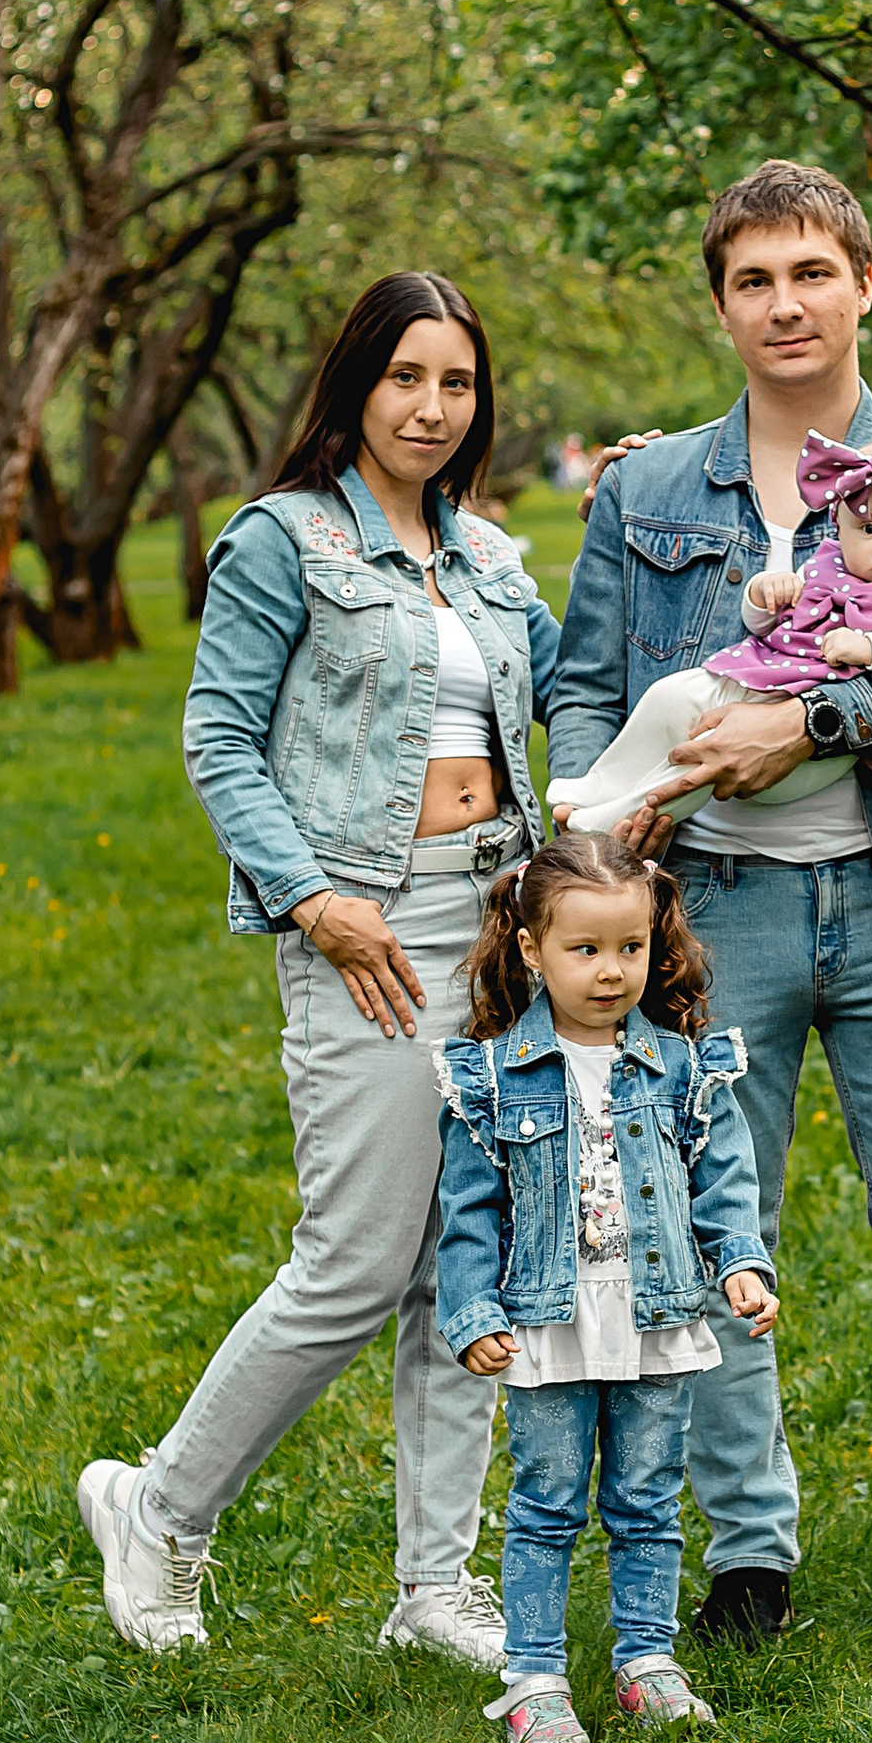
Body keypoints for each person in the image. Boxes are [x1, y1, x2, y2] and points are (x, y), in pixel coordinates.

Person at [550, 161, 872, 1646]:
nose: (785, 304)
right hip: (717, 918)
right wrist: (604, 848)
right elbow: (582, 686)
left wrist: (809, 729)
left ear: (862, 286)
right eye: (753, 280)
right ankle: (749, 1552)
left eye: (810, 273)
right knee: (714, 1235)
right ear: (721, 306)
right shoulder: (644, 488)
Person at [77, 271, 559, 1664]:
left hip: (499, 927)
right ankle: (161, 1511)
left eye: (456, 383)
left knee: (467, 1261)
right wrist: (310, 902)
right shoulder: (281, 543)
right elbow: (218, 736)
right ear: (354, 383)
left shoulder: (495, 560)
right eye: (405, 376)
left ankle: (434, 1589)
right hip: (370, 931)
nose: (430, 406)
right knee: (353, 1263)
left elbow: (563, 707)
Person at [434, 832, 777, 1743]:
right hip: (549, 1321)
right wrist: (474, 1313)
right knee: (547, 1498)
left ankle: (646, 1659)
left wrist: (738, 1262)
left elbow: (723, 1178)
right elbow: (469, 1211)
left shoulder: (685, 1066)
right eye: (584, 950)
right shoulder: (492, 1078)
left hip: (655, 1312)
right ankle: (533, 1679)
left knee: (647, 1499)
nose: (611, 971)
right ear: (529, 950)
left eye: (630, 948)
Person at [552, 420, 872, 833]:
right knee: (668, 697)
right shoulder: (830, 564)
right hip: (759, 676)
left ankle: (618, 819)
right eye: (869, 528)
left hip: (818, 746)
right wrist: (764, 594)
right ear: (841, 529)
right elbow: (768, 621)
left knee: (700, 762)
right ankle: (603, 784)